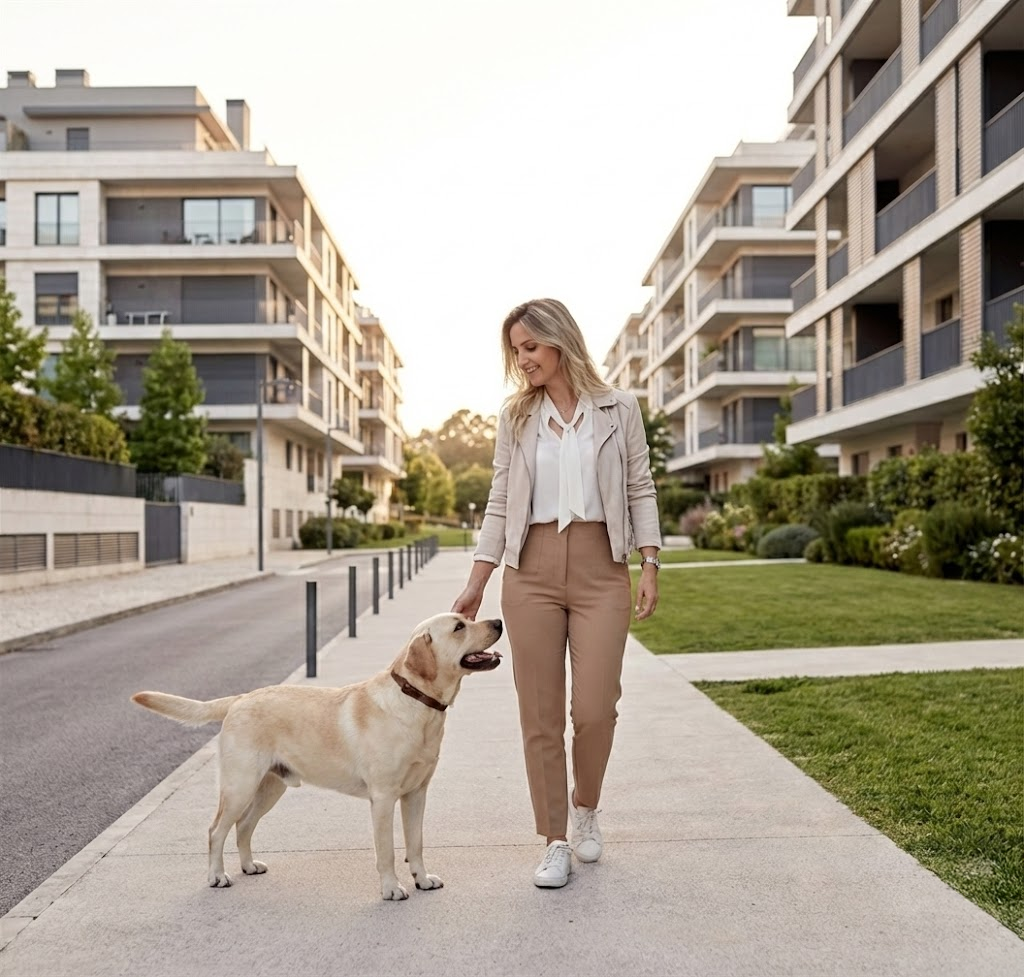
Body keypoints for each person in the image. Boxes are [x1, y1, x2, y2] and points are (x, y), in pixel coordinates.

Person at [452, 297, 661, 889]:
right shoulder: (516, 417)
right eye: (516, 351)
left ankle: (586, 806)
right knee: (539, 714)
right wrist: (477, 582)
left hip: (602, 566)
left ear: (559, 342)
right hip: (531, 570)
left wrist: (649, 562)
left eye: (529, 348)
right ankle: (555, 839)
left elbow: (640, 486)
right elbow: (499, 500)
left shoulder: (618, 409)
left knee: (595, 709)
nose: (522, 361)